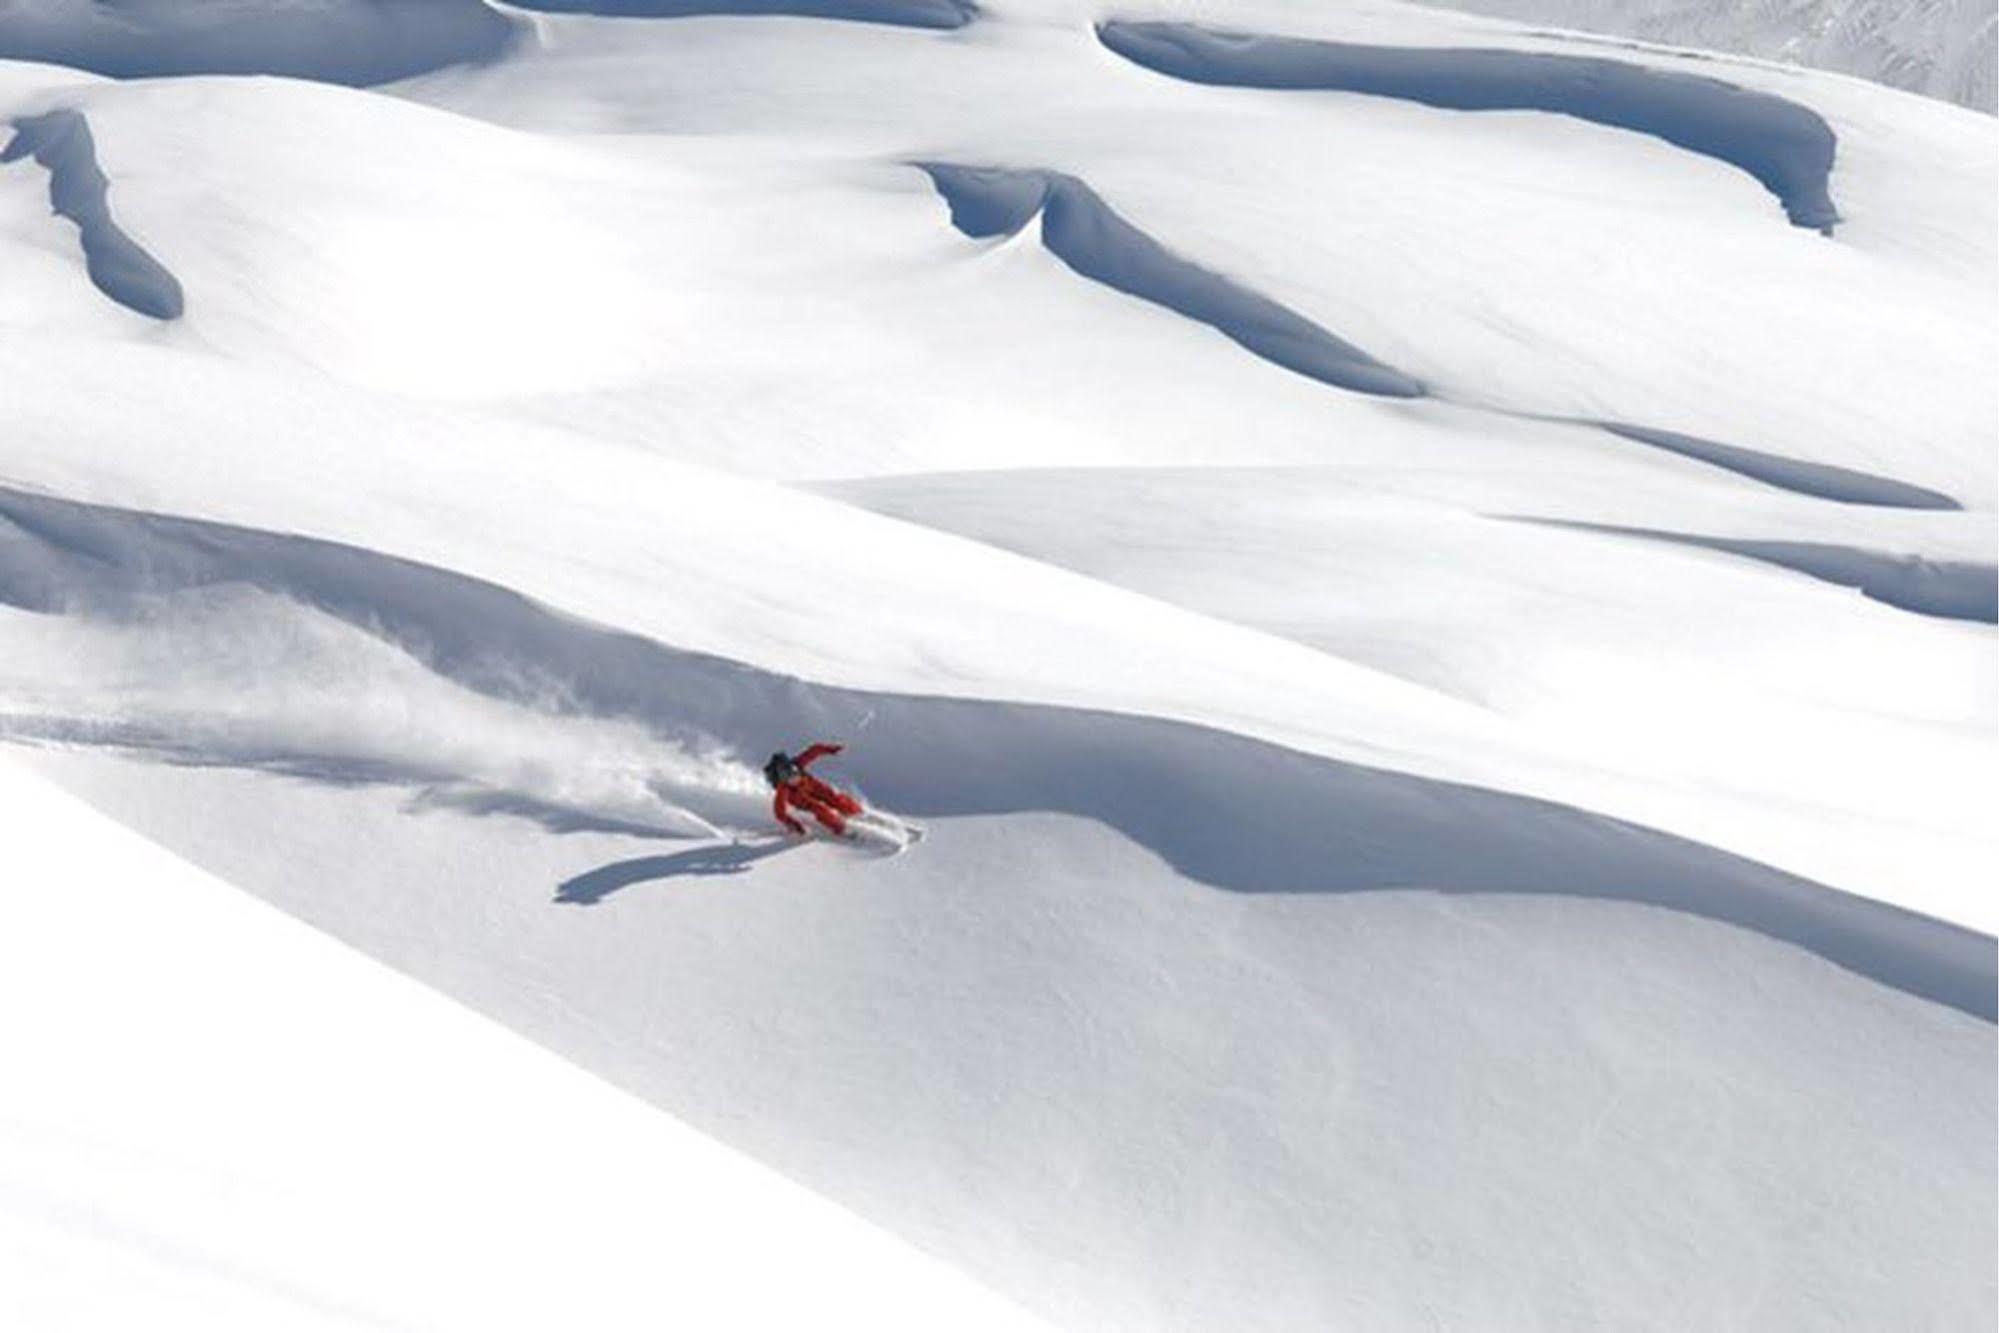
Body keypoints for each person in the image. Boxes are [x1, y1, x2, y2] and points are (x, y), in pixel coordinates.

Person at [764, 742, 863, 837]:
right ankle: (840, 828)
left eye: (795, 776)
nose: (795, 780)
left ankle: (856, 811)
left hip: (812, 786)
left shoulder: (799, 763)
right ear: (784, 780)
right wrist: (795, 825)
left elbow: (814, 750)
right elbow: (780, 813)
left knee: (834, 798)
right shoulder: (783, 790)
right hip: (803, 801)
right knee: (820, 809)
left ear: (796, 770)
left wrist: (830, 749)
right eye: (790, 779)